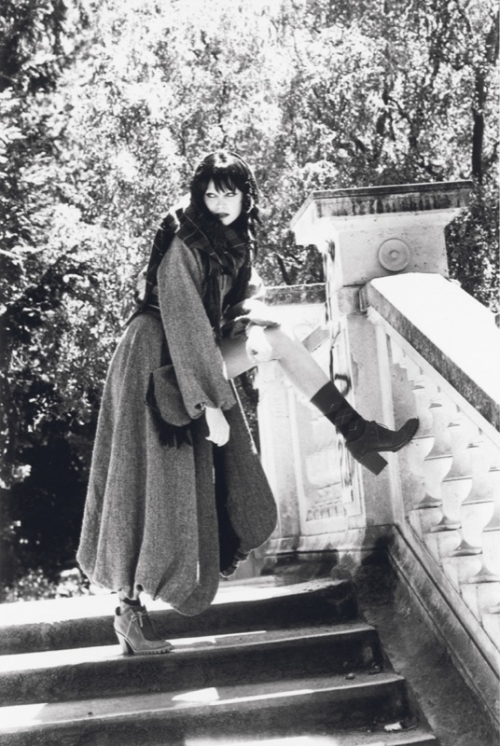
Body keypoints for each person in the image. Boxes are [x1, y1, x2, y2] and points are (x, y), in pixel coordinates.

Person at [77, 151, 418, 656]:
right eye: (210, 193)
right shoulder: (185, 236)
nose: (219, 203)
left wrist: (255, 325)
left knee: (277, 338)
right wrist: (209, 405)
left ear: (245, 196)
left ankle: (356, 431)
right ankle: (129, 615)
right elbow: (184, 319)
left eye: (229, 193)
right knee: (145, 486)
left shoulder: (234, 239)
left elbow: (240, 302)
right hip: (153, 358)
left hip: (191, 355)